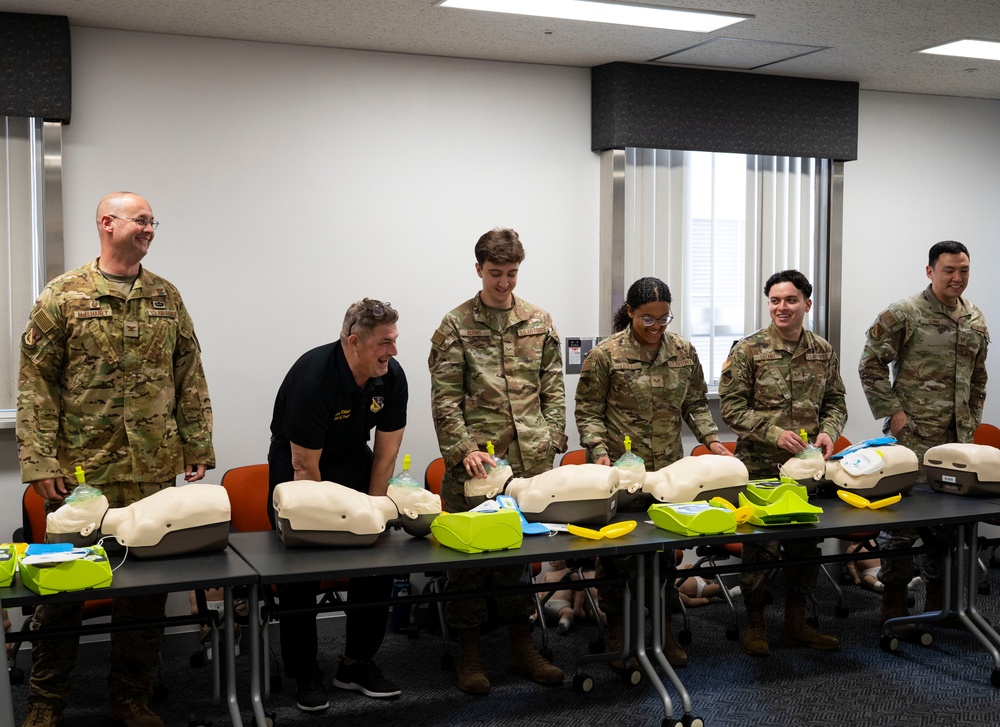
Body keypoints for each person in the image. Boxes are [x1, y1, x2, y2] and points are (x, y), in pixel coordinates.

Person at [16, 192, 215, 727]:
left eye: (152, 221)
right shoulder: (63, 296)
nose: (150, 229)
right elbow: (36, 384)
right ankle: (45, 703)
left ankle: (131, 697)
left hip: (153, 471)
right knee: (62, 590)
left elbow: (189, 374)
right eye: (140, 220)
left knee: (145, 596)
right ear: (107, 223)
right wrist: (40, 462)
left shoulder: (166, 297)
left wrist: (198, 444)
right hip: (83, 473)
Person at [428, 227, 566, 695]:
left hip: (528, 463)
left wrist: (553, 437)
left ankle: (521, 649)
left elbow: (553, 387)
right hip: (477, 466)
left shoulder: (539, 321)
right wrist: (463, 448)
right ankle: (470, 655)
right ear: (478, 270)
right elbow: (444, 399)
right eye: (494, 273)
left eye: (511, 273)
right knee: (467, 565)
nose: (504, 283)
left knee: (518, 560)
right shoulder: (455, 325)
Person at [575, 276, 732, 669]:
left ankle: (664, 632)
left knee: (664, 555)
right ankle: (617, 632)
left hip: (669, 473)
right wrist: (598, 452)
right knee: (618, 554)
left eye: (664, 318)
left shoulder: (682, 351)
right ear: (630, 312)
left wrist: (712, 441)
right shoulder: (605, 355)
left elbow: (695, 403)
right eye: (648, 319)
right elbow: (589, 412)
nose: (656, 327)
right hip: (621, 472)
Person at [267, 298, 406, 711]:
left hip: (354, 463)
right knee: (302, 569)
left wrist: (374, 516)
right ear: (354, 342)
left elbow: (385, 456)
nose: (393, 351)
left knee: (377, 561)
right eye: (384, 343)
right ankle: (305, 671)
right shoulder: (313, 380)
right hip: (300, 473)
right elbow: (305, 468)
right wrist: (329, 527)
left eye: (394, 340)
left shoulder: (391, 375)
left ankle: (356, 663)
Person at [858, 241, 988, 631]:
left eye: (964, 270)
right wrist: (893, 413)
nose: (957, 278)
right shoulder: (905, 313)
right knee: (901, 527)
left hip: (956, 444)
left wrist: (972, 420)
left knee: (947, 527)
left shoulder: (974, 317)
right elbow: (870, 364)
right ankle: (894, 605)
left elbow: (978, 377)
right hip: (912, 439)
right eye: (949, 270)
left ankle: (939, 605)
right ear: (930, 271)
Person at [718, 269, 847, 657]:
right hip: (761, 468)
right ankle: (755, 625)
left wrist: (830, 431)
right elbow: (731, 408)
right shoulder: (748, 350)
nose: (782, 307)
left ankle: (796, 623)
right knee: (760, 550)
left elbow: (835, 401)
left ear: (807, 304)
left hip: (806, 470)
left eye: (790, 300)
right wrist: (773, 434)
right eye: (775, 300)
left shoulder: (822, 350)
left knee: (804, 548)